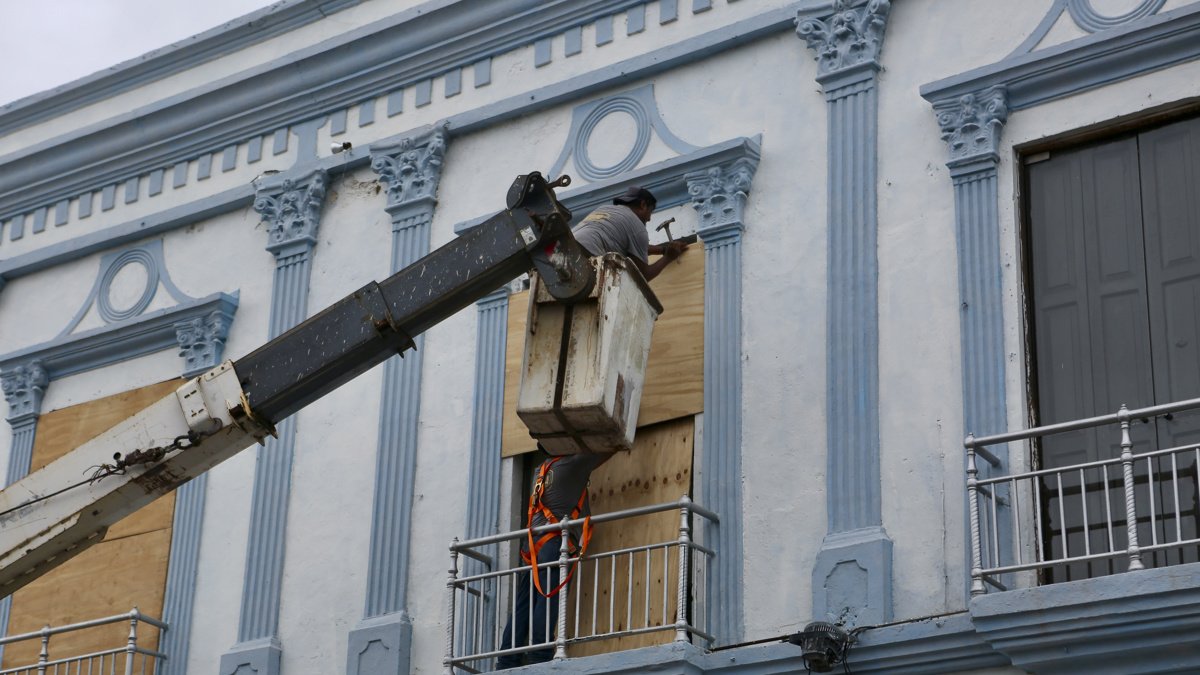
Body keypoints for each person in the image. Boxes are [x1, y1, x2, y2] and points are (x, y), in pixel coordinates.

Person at [497, 450, 614, 669]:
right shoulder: (573, 464)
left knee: (525, 603)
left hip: (533, 548)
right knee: (548, 599)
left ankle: (507, 659)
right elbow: (609, 447)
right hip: (553, 546)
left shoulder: (541, 469)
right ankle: (540, 654)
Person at [572, 186, 689, 281]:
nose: (649, 219)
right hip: (588, 257)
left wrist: (663, 250)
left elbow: (630, 246)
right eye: (650, 211)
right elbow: (643, 276)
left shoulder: (605, 209)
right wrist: (668, 257)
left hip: (566, 247)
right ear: (643, 205)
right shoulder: (637, 226)